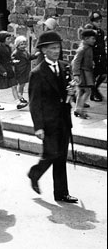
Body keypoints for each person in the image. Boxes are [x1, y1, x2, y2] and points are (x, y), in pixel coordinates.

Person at [27, 31, 78, 203]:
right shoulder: (37, 73)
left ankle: (61, 193)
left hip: (64, 119)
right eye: (52, 48)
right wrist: (38, 127)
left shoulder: (65, 67)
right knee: (51, 153)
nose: (56, 51)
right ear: (43, 51)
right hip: (48, 122)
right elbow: (34, 103)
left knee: (61, 156)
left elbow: (68, 94)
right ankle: (35, 173)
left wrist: (72, 93)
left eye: (58, 47)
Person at [0, 31, 26, 110]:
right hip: (0, 72)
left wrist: (12, 61)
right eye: (8, 39)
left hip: (9, 69)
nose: (10, 40)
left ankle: (18, 102)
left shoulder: (8, 47)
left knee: (14, 85)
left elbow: (8, 58)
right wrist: (2, 71)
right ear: (3, 40)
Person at [71, 29, 97, 119]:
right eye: (92, 38)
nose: (94, 40)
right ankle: (80, 110)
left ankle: (77, 109)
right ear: (86, 39)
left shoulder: (88, 48)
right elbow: (76, 62)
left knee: (81, 92)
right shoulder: (82, 49)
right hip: (83, 74)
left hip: (86, 72)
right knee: (87, 91)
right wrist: (76, 74)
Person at [12, 35, 37, 106]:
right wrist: (14, 61)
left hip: (25, 70)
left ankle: (21, 96)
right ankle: (19, 97)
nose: (23, 46)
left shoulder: (25, 51)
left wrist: (35, 56)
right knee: (21, 84)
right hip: (19, 71)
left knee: (23, 84)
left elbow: (29, 58)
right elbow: (12, 60)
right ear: (17, 45)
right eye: (21, 44)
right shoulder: (16, 53)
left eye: (24, 44)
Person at [88, 12, 107, 102]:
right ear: (92, 22)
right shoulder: (91, 32)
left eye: (100, 21)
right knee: (93, 76)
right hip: (94, 57)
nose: (99, 23)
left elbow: (102, 45)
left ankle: (95, 89)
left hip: (101, 57)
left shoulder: (101, 32)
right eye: (97, 22)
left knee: (103, 74)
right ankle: (94, 92)